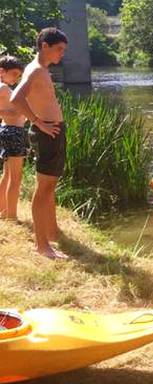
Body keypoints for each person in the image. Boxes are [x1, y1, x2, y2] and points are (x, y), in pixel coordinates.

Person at [10, 28, 68, 259]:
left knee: (49, 187)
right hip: (47, 134)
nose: (62, 54)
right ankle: (41, 245)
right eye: (59, 49)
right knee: (43, 189)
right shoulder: (35, 70)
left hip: (52, 133)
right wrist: (38, 122)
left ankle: (51, 232)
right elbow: (16, 98)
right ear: (45, 46)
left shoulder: (40, 69)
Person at [0, 56, 27, 222]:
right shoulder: (3, 88)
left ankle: (3, 211)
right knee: (15, 178)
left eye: (19, 75)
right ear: (2, 72)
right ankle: (11, 217)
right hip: (13, 132)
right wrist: (7, 113)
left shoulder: (4, 88)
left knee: (8, 175)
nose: (17, 78)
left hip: (8, 130)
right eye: (15, 74)